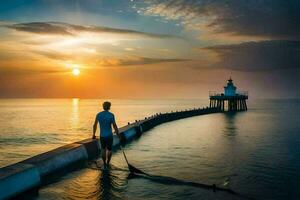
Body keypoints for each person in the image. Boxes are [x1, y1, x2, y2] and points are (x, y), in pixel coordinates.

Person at [93, 101, 121, 169]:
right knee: (110, 150)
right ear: (109, 107)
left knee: (103, 150)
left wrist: (93, 134)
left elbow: (95, 125)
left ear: (103, 106)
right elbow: (114, 126)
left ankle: (104, 163)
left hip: (102, 136)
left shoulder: (98, 115)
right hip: (109, 136)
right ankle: (108, 162)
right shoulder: (111, 115)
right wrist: (118, 135)